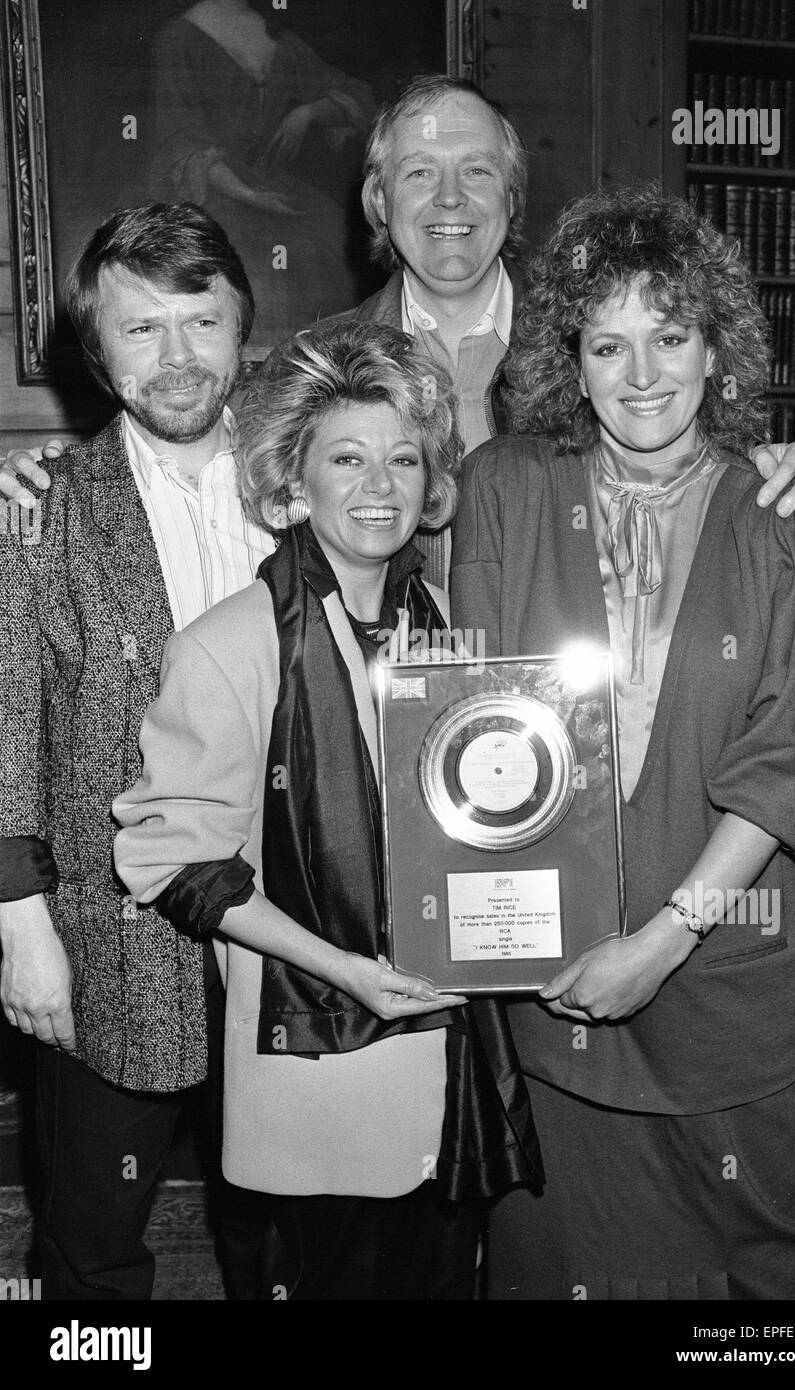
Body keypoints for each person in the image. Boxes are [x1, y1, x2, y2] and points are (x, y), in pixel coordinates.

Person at [450, 186, 795, 1300]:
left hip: (718, 979)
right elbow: (462, 716)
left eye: (670, 337)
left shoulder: (793, 518)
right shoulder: (502, 489)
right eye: (608, 342)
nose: (641, 374)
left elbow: (788, 768)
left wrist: (662, 942)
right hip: (549, 976)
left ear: (716, 350)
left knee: (750, 1282)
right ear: (566, 362)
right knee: (552, 1268)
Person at [112, 321, 540, 1301]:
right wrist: (348, 970)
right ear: (293, 479)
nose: (380, 484)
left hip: (446, 1057)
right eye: (346, 457)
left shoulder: (445, 629)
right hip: (313, 1065)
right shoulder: (233, 644)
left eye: (403, 457)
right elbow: (172, 861)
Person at [2, 77, 795, 558]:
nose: (449, 199)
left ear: (511, 195)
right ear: (378, 196)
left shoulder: (600, 347)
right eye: (418, 174)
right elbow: (188, 436)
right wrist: (42, 473)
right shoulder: (315, 361)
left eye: (476, 171)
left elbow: (699, 461)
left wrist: (788, 468)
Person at [0, 203, 283, 1299]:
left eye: (200, 322)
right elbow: (7, 724)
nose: (177, 358)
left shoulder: (315, 478)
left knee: (281, 1230)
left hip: (291, 925)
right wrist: (21, 930)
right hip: (112, 945)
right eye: (140, 329)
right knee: (92, 1246)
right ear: (95, 351)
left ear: (242, 326)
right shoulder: (43, 511)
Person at [150, 0, 375, 345]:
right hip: (213, 193)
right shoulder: (178, 38)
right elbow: (181, 140)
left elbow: (357, 95)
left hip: (270, 182)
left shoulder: (278, 37)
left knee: (336, 246)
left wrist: (307, 113)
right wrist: (248, 195)